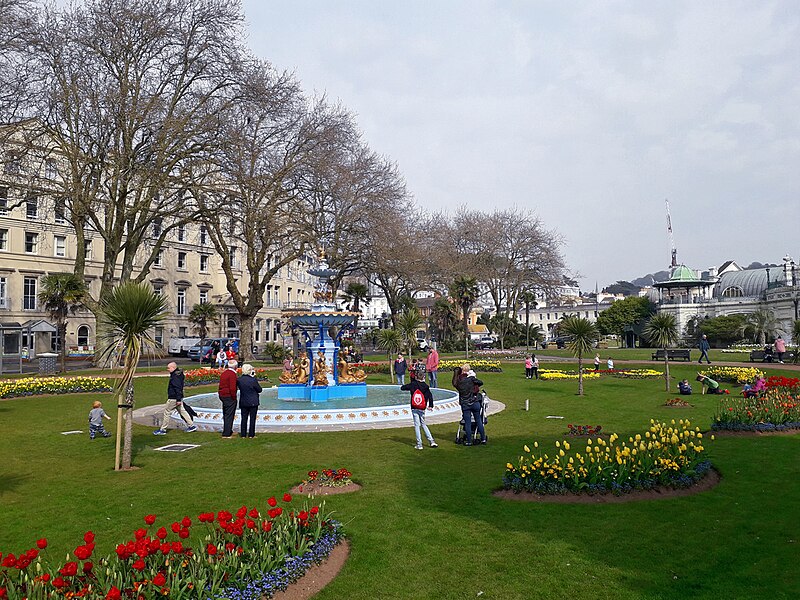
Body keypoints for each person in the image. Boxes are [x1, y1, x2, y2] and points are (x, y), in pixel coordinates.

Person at [154, 362, 197, 435]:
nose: (168, 369)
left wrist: (178, 399)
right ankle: (191, 425)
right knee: (182, 411)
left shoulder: (175, 377)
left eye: (169, 368)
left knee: (167, 412)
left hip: (173, 398)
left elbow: (177, 388)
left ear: (173, 368)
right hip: (177, 397)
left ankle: (163, 429)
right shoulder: (178, 374)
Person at [400, 371, 438, 450]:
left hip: (414, 407)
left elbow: (402, 388)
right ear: (424, 377)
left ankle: (419, 444)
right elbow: (430, 396)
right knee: (423, 424)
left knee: (417, 425)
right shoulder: (426, 386)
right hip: (422, 408)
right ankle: (431, 441)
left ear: (416, 377)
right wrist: (431, 405)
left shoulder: (413, 384)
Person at [456, 363, 486, 445]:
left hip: (465, 403)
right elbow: (480, 382)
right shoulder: (471, 379)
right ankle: (483, 438)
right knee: (479, 420)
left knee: (467, 422)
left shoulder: (459, 382)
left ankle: (469, 441)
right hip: (474, 402)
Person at [237, 363, 262, 438]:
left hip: (244, 401)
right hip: (253, 401)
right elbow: (259, 389)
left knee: (244, 418)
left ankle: (243, 434)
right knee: (252, 418)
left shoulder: (239, 380)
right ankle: (251, 434)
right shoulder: (253, 380)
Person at [219, 359, 239, 438]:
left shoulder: (224, 373)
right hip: (229, 395)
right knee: (229, 414)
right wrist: (234, 397)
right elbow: (232, 388)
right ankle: (227, 433)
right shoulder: (232, 374)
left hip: (222, 395)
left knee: (226, 413)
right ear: (235, 367)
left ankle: (228, 430)